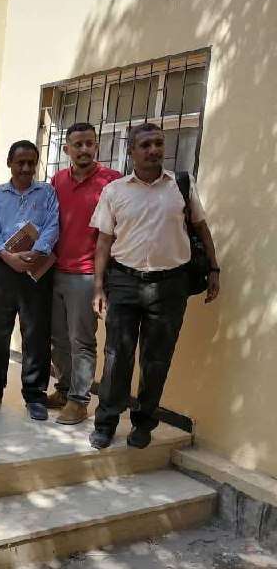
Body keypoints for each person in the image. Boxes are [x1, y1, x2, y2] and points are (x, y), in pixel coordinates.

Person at [89, 123, 220, 449]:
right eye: (145, 145)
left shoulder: (181, 185)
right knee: (117, 355)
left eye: (159, 143)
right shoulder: (115, 191)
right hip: (124, 282)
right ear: (131, 151)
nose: (154, 150)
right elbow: (103, 242)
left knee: (157, 359)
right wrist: (98, 287)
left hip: (170, 285)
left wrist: (214, 269)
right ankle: (106, 422)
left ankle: (143, 423)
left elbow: (201, 228)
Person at [0, 140, 59, 419]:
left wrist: (37, 252)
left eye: (31, 163)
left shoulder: (47, 192)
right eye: (20, 162)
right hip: (3, 269)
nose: (25, 168)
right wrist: (7, 256)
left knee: (35, 333)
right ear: (9, 163)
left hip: (37, 268)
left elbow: (53, 225)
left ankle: (35, 395)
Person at [47, 123, 121, 425]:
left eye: (89, 143)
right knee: (58, 339)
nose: (84, 149)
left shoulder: (112, 181)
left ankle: (79, 400)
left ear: (96, 146)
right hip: (54, 270)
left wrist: (103, 282)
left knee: (81, 340)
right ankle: (64, 389)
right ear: (67, 149)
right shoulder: (57, 180)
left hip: (88, 274)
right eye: (77, 144)